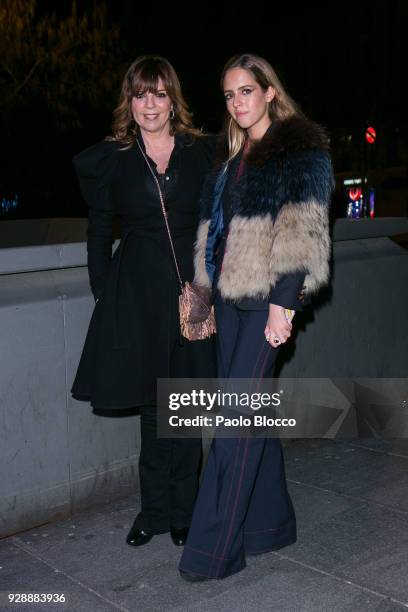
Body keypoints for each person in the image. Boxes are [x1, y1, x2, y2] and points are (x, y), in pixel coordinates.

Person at [179, 53, 334, 580]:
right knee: (250, 418)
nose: (237, 102)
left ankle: (212, 552)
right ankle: (269, 525)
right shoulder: (229, 163)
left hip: (268, 301)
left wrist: (283, 306)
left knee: (232, 425)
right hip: (229, 301)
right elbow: (213, 236)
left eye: (247, 90)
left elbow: (302, 232)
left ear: (269, 91)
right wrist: (202, 292)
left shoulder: (299, 152)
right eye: (229, 94)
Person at [71, 56, 216, 549]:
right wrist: (103, 291)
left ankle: (185, 512)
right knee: (155, 410)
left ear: (172, 99)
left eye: (158, 93)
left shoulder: (201, 153)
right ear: (128, 102)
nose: (149, 104)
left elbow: (218, 222)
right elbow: (97, 233)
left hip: (192, 294)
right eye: (140, 94)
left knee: (187, 406)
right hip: (136, 295)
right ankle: (153, 513)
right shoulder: (112, 159)